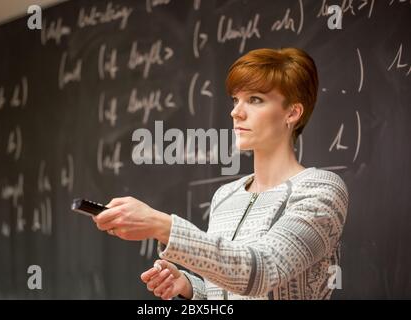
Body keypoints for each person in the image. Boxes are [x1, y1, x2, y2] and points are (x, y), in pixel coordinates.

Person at [93, 48, 349, 300]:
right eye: (236, 100)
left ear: (292, 113)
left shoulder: (320, 190)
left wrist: (162, 226)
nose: (236, 111)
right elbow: (228, 292)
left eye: (255, 99)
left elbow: (262, 271)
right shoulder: (225, 196)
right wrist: (190, 287)